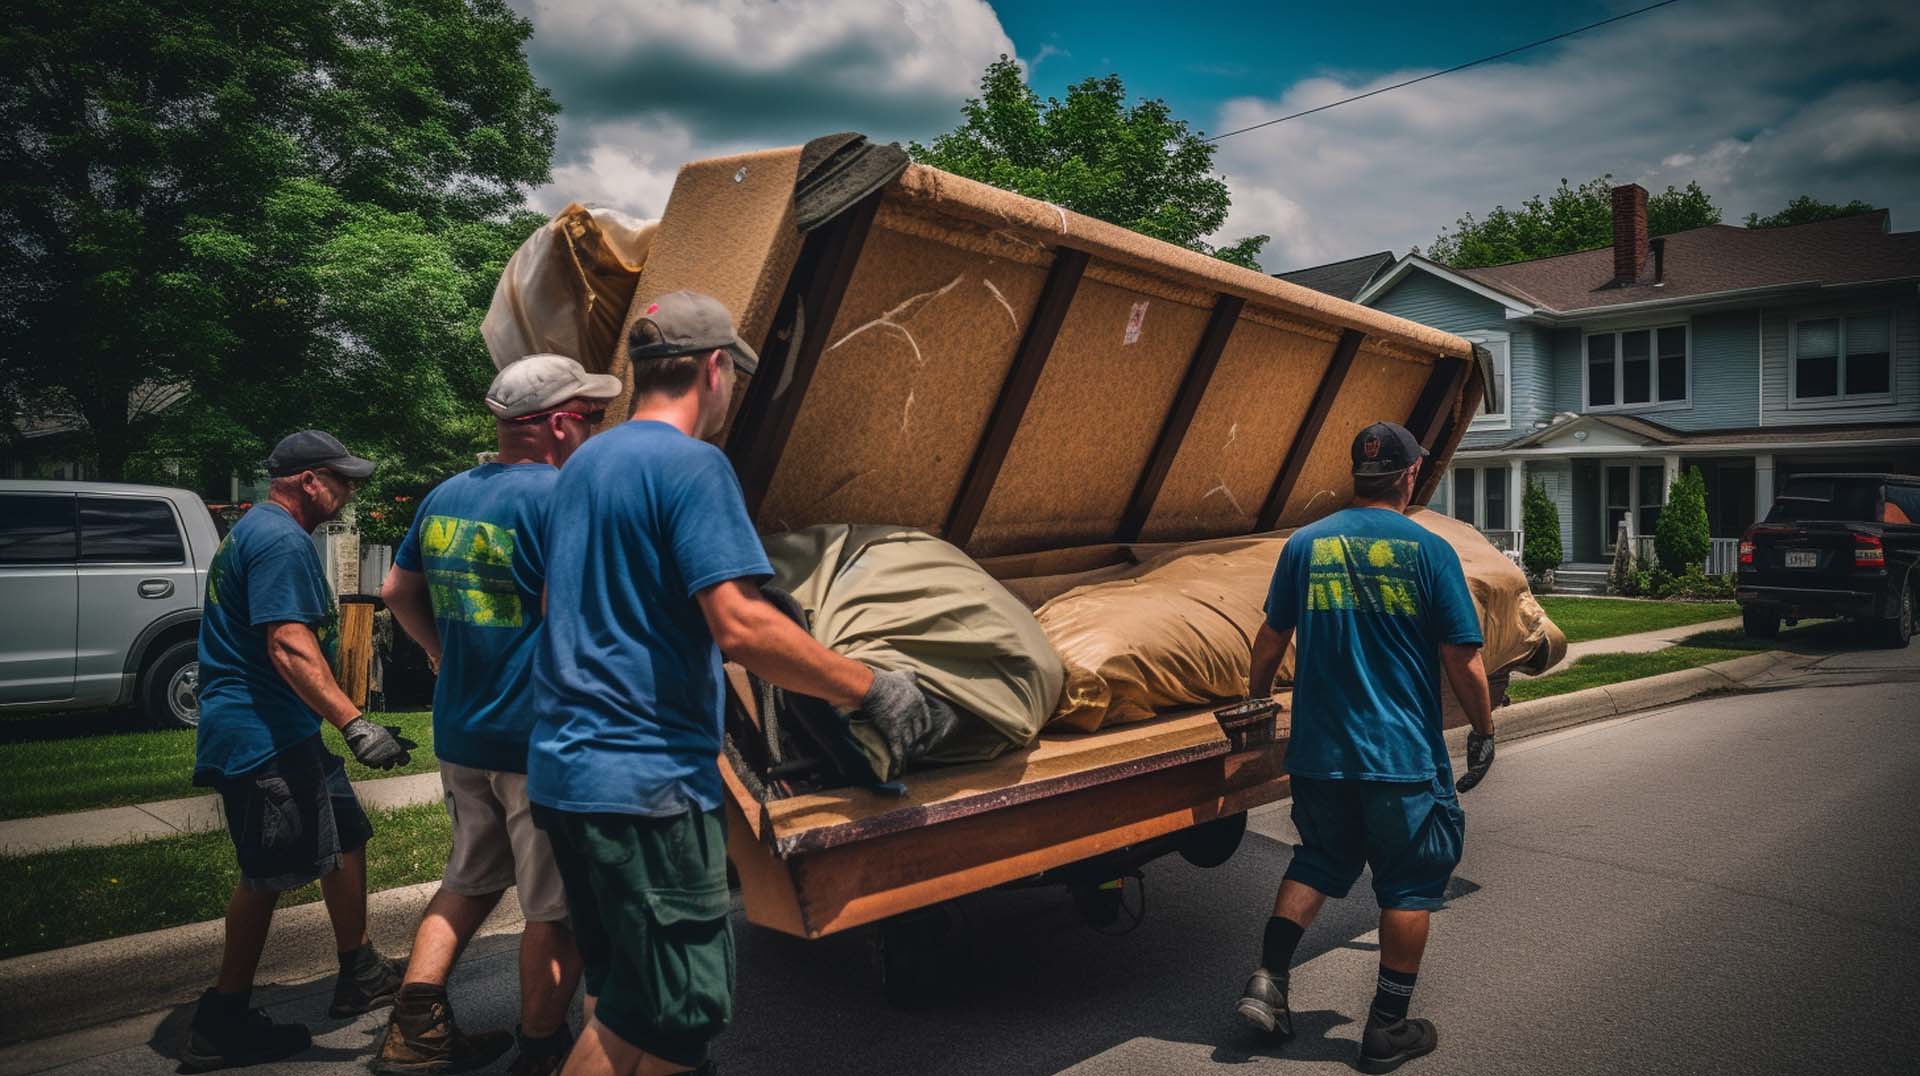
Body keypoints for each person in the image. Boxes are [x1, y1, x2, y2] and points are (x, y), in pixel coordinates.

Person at [527, 291, 911, 1076]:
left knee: (624, 994)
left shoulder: (586, 463)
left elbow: (553, 603)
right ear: (715, 368)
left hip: (566, 773)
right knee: (678, 1013)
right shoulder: (694, 467)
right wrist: (866, 686)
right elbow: (741, 626)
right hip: (644, 784)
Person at [373, 356, 622, 1076]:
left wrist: (441, 655)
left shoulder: (448, 493)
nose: (593, 431)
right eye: (591, 416)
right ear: (556, 423)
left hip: (462, 731)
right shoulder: (563, 498)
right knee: (558, 909)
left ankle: (416, 1028)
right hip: (536, 738)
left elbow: (395, 589)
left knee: (470, 879)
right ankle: (541, 1051)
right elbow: (567, 616)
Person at [1234, 420, 1497, 1075]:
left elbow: (1271, 637)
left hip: (1321, 752)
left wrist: (1259, 699)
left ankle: (1269, 979)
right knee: (1409, 884)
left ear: (1360, 474)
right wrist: (1485, 730)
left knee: (1320, 859)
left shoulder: (1306, 544)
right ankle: (1387, 1027)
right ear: (1409, 476)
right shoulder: (1429, 549)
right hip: (1398, 755)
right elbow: (1462, 656)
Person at [183, 431, 416, 1073]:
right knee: (266, 874)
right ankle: (222, 1020)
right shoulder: (282, 539)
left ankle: (359, 969)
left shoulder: (257, 530)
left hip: (283, 728)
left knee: (344, 833)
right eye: (343, 480)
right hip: (259, 737)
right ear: (310, 480)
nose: (350, 492)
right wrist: (355, 723)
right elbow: (287, 643)